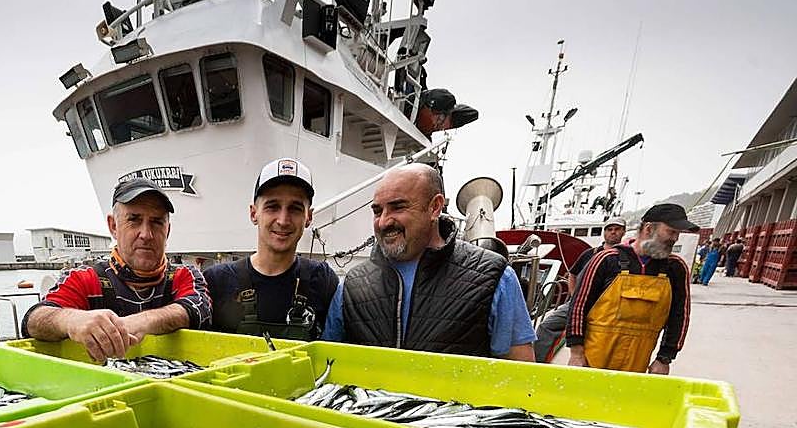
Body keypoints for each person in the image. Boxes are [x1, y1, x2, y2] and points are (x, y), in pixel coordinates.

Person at [322, 164, 536, 360]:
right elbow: (328, 361)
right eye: (378, 211)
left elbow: (522, 372)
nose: (384, 221)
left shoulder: (494, 277)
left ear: (435, 207)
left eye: (398, 207)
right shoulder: (352, 284)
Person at [22, 177, 211, 359]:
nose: (146, 234)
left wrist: (141, 322)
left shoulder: (185, 275)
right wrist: (72, 320)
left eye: (156, 222)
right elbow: (34, 319)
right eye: (134, 220)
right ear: (113, 226)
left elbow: (197, 307)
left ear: (167, 230)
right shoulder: (85, 279)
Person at [204, 159, 338, 340]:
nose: (283, 220)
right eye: (272, 207)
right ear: (254, 213)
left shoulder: (323, 280)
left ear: (308, 217)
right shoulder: (216, 281)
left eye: (295, 208)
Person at [566, 202, 696, 374]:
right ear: (649, 229)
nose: (675, 238)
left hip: (639, 357)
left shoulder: (675, 268)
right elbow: (578, 306)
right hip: (594, 354)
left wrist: (664, 358)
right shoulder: (606, 259)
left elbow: (680, 315)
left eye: (677, 234)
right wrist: (576, 352)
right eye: (671, 231)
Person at [532, 216, 632, 362]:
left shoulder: (628, 258)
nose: (613, 232)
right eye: (609, 229)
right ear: (604, 232)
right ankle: (537, 363)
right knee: (547, 325)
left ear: (623, 232)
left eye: (617, 229)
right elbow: (572, 273)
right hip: (580, 304)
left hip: (609, 308)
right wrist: (574, 297)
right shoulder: (589, 254)